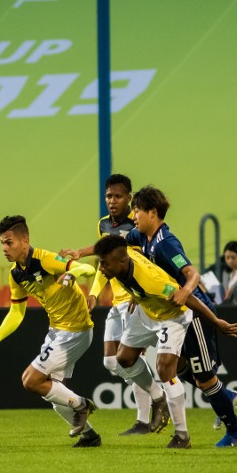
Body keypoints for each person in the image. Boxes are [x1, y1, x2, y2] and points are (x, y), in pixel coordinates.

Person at [126, 185, 237, 448]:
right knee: (177, 369)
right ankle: (226, 396)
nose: (133, 216)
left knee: (204, 378)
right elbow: (116, 244)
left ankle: (236, 434)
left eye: (137, 211)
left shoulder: (166, 243)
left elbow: (193, 274)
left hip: (193, 314)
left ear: (153, 212)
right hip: (174, 315)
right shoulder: (142, 237)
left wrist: (185, 291)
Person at [94, 235, 237, 449]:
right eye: (100, 261)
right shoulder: (124, 258)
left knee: (164, 369)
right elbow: (134, 248)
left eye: (104, 263)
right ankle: (158, 397)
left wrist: (216, 321)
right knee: (123, 358)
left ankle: (182, 436)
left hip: (173, 317)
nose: (101, 267)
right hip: (146, 312)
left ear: (122, 261)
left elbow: (188, 298)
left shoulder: (152, 282)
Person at [0, 215, 102, 448]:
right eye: (2, 243)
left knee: (31, 380)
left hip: (76, 330)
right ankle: (90, 436)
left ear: (25, 241)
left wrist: (72, 274)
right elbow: (17, 313)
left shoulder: (45, 260)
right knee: (52, 393)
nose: (4, 248)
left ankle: (82, 405)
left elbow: (86, 268)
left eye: (9, 242)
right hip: (57, 331)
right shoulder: (16, 274)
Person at [60, 174, 165, 436]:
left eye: (118, 196)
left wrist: (137, 294)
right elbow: (103, 261)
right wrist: (95, 292)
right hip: (116, 303)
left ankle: (145, 417)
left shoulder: (138, 224)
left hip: (134, 302)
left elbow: (148, 263)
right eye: (108, 196)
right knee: (111, 361)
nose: (112, 201)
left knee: (130, 360)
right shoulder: (103, 224)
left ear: (129, 198)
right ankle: (155, 396)